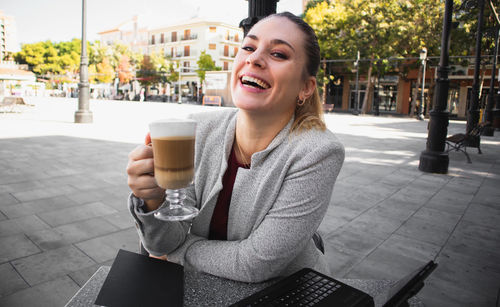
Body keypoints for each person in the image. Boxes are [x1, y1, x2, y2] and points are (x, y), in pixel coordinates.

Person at [126, 12, 344, 283]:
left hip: (285, 292)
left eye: (278, 54)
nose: (253, 58)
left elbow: (255, 264)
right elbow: (162, 242)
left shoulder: (318, 151)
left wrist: (178, 252)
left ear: (306, 88)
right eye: (249, 47)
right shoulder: (198, 129)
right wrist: (153, 200)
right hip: (202, 289)